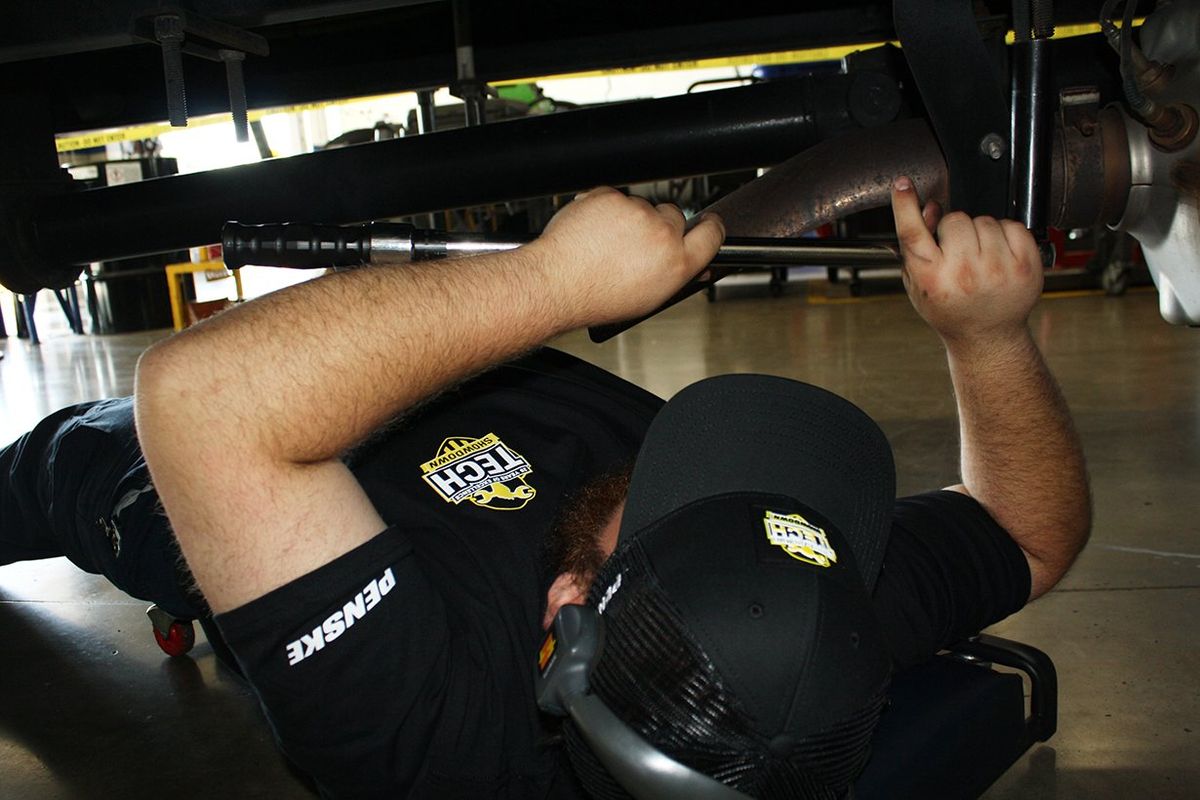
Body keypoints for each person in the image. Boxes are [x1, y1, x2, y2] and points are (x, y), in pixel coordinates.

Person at [0, 178, 1090, 799]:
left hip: (191, 478)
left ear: (569, 619)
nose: (750, 484)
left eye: (677, 505)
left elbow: (200, 404)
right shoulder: (802, 640)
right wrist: (989, 338)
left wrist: (553, 279)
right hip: (464, 370)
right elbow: (1031, 534)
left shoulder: (433, 737)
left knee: (58, 467)